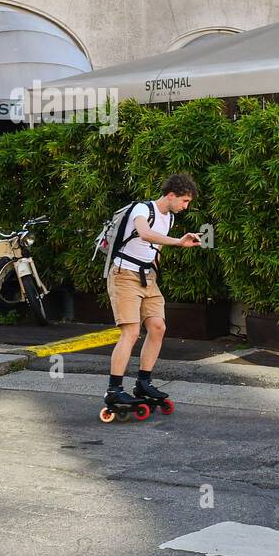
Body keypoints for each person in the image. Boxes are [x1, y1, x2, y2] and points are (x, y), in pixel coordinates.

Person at [104, 174, 203, 411]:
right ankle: (114, 390)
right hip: (123, 274)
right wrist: (178, 242)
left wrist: (153, 276)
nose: (185, 207)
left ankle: (143, 383)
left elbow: (154, 250)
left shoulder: (168, 219)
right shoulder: (142, 209)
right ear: (171, 195)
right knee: (131, 332)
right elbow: (145, 234)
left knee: (158, 327)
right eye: (184, 201)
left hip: (147, 278)